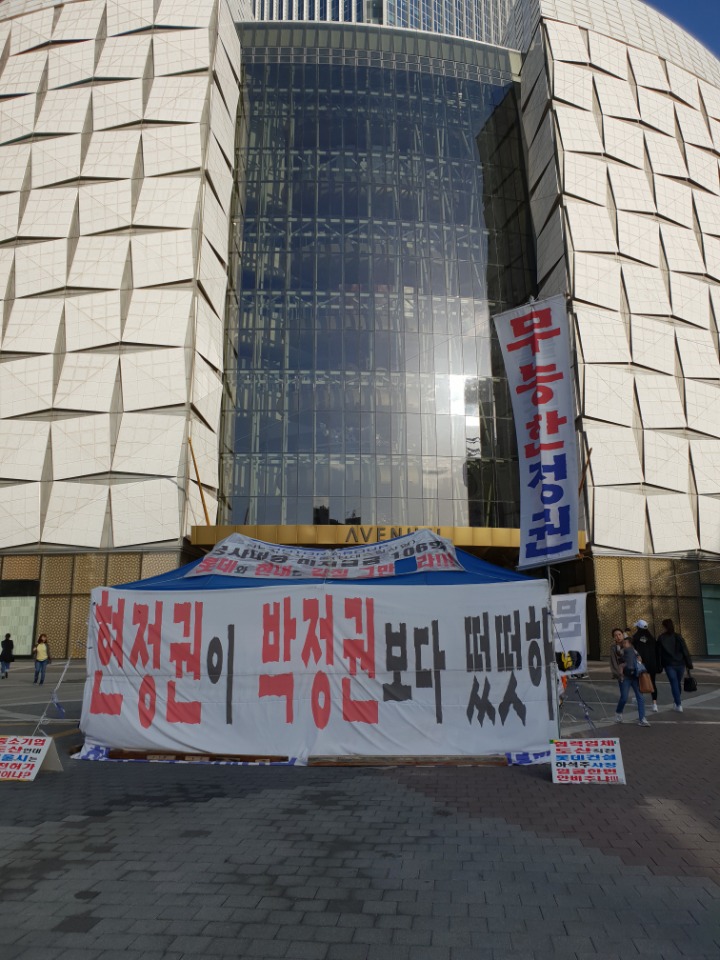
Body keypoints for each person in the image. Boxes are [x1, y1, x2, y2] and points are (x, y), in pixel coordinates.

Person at [657, 618, 693, 712]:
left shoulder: (661, 638)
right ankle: (677, 702)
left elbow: (659, 653)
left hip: (669, 664)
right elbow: (684, 650)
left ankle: (678, 704)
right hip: (680, 663)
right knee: (677, 682)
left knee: (674, 683)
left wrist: (659, 665)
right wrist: (689, 663)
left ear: (664, 626)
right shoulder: (678, 636)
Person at [615, 635, 650, 726]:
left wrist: (639, 659)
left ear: (630, 644)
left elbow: (640, 659)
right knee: (624, 697)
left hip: (635, 676)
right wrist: (621, 674)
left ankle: (642, 718)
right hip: (625, 677)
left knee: (640, 697)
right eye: (623, 643)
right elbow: (618, 657)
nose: (623, 644)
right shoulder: (622, 650)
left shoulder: (634, 651)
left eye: (625, 643)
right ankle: (619, 712)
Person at [632, 619, 659, 712]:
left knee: (639, 682)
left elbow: (633, 650)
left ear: (638, 627)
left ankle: (639, 700)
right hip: (652, 664)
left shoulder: (635, 637)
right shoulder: (652, 638)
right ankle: (654, 704)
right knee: (653, 683)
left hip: (640, 664)